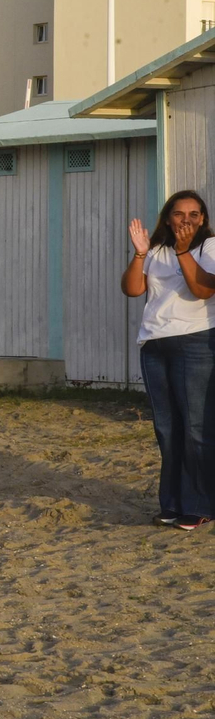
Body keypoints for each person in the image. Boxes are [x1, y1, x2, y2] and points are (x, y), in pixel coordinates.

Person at [123, 191, 215, 530]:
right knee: (167, 428)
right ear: (167, 218)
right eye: (179, 214)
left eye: (194, 214)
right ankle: (173, 503)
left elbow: (203, 290)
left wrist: (182, 250)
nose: (186, 220)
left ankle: (200, 504)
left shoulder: (209, 248)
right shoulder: (156, 251)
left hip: (196, 342)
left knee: (195, 427)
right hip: (155, 344)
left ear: (203, 219)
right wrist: (139, 254)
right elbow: (133, 289)